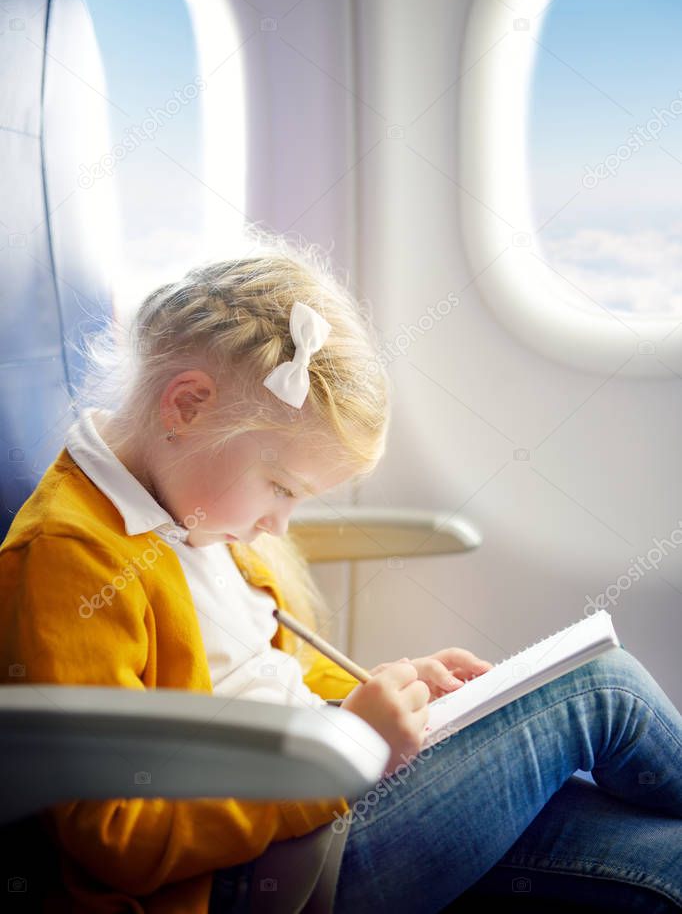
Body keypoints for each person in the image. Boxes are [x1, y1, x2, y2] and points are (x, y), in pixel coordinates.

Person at [0, 229, 680, 914]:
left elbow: (269, 678)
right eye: (280, 485)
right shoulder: (74, 554)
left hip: (318, 798)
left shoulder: (188, 504)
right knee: (600, 688)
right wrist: (342, 752)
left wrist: (394, 695)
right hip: (258, 872)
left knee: (662, 857)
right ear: (186, 404)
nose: (280, 524)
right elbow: (116, 835)